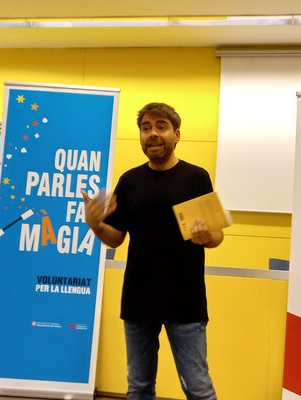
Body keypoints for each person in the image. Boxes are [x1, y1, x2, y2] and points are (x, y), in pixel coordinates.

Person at [82, 102, 224, 400]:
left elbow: (217, 236)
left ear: (176, 134)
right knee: (139, 388)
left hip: (186, 300)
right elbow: (116, 239)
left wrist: (206, 236)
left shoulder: (196, 177)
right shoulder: (129, 181)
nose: (153, 134)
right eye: (146, 128)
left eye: (161, 127)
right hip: (138, 300)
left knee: (198, 389)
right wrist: (95, 225)